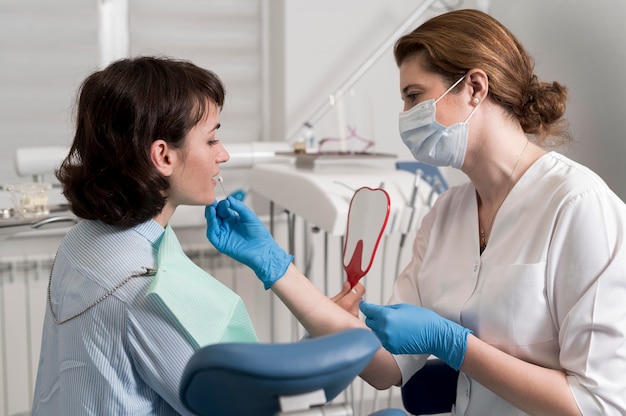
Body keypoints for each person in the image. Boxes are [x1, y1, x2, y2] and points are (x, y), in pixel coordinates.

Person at [206, 9, 626, 416]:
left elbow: (597, 404)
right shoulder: (445, 215)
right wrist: (277, 267)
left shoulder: (578, 207)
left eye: (414, 97)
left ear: (474, 88)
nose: (406, 118)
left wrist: (455, 345)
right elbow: (387, 366)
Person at [31, 55, 364, 415]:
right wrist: (319, 341)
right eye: (211, 140)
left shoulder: (83, 240)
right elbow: (238, 405)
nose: (223, 154)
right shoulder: (143, 291)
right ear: (163, 156)